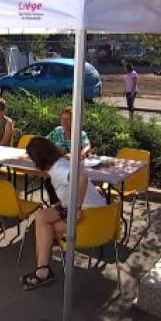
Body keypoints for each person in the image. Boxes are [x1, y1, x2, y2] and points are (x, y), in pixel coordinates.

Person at [20, 137, 106, 290]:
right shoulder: (62, 163)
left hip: (90, 218)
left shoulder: (59, 170)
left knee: (44, 230)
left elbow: (82, 177)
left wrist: (76, 208)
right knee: (41, 217)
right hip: (102, 214)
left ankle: (42, 271)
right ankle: (42, 269)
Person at [44, 107, 92, 205]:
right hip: (60, 167)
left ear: (74, 121)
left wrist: (83, 152)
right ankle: (57, 206)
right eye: (63, 119)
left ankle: (72, 206)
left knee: (71, 183)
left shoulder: (80, 133)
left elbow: (87, 146)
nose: (65, 122)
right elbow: (45, 142)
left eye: (68, 119)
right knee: (49, 181)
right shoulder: (57, 131)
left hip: (75, 168)